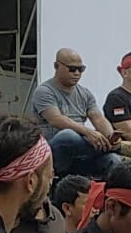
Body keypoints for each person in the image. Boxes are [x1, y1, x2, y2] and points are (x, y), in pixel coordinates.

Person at [32, 48, 121, 178]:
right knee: (68, 136)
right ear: (56, 66)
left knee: (114, 161)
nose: (77, 73)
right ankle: (108, 148)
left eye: (81, 69)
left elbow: (98, 118)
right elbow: (56, 119)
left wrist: (110, 136)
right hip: (52, 153)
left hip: (81, 154)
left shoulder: (85, 93)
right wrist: (88, 133)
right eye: (72, 69)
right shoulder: (44, 91)